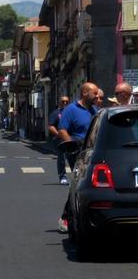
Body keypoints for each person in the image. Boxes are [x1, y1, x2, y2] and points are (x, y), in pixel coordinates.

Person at [57, 82, 99, 233]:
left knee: (86, 185)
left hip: (92, 152)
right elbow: (62, 130)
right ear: (84, 93)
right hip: (77, 152)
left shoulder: (95, 110)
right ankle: (66, 217)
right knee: (78, 183)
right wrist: (71, 145)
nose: (97, 96)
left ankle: (82, 216)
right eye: (94, 93)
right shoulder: (71, 109)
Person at [47, 95, 71, 185]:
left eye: (66, 102)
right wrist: (58, 134)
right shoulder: (56, 113)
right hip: (60, 140)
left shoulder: (71, 113)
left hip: (71, 139)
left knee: (74, 159)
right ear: (59, 103)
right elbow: (50, 126)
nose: (65, 103)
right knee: (62, 158)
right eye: (63, 101)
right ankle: (62, 176)